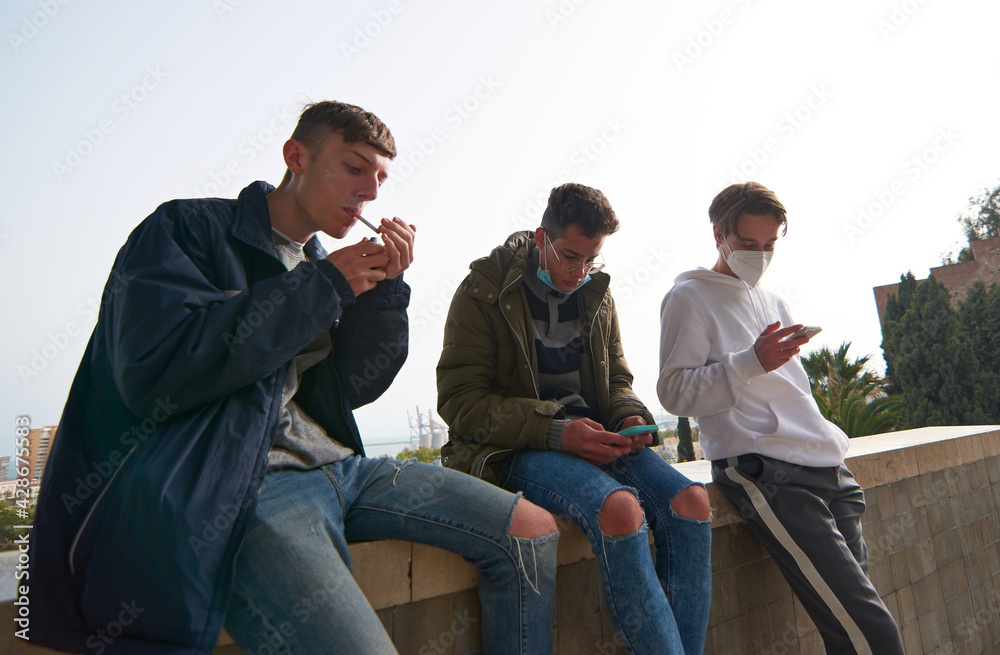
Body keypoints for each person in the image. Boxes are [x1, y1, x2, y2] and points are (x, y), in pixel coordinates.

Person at [28, 101, 559, 655]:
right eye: (355, 168)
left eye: (380, 178)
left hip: (345, 470)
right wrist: (322, 287)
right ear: (295, 157)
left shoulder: (323, 265)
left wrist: (385, 292)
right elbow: (152, 370)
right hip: (250, 487)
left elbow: (350, 389)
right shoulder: (188, 229)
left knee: (531, 532)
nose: (371, 192)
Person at [437, 183, 713, 655]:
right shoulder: (484, 289)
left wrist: (628, 416)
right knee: (621, 509)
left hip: (594, 439)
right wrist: (555, 431)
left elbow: (617, 381)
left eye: (591, 260)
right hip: (515, 448)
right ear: (542, 237)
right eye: (569, 256)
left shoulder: (596, 295)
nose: (578, 272)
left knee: (691, 502)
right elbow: (460, 401)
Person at [657, 181, 905, 654]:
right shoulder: (688, 297)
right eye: (748, 244)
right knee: (875, 636)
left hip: (831, 473)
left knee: (855, 633)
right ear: (719, 235)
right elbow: (673, 391)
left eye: (769, 244)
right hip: (770, 476)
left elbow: (794, 392)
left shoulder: (773, 300)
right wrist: (752, 360)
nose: (760, 254)